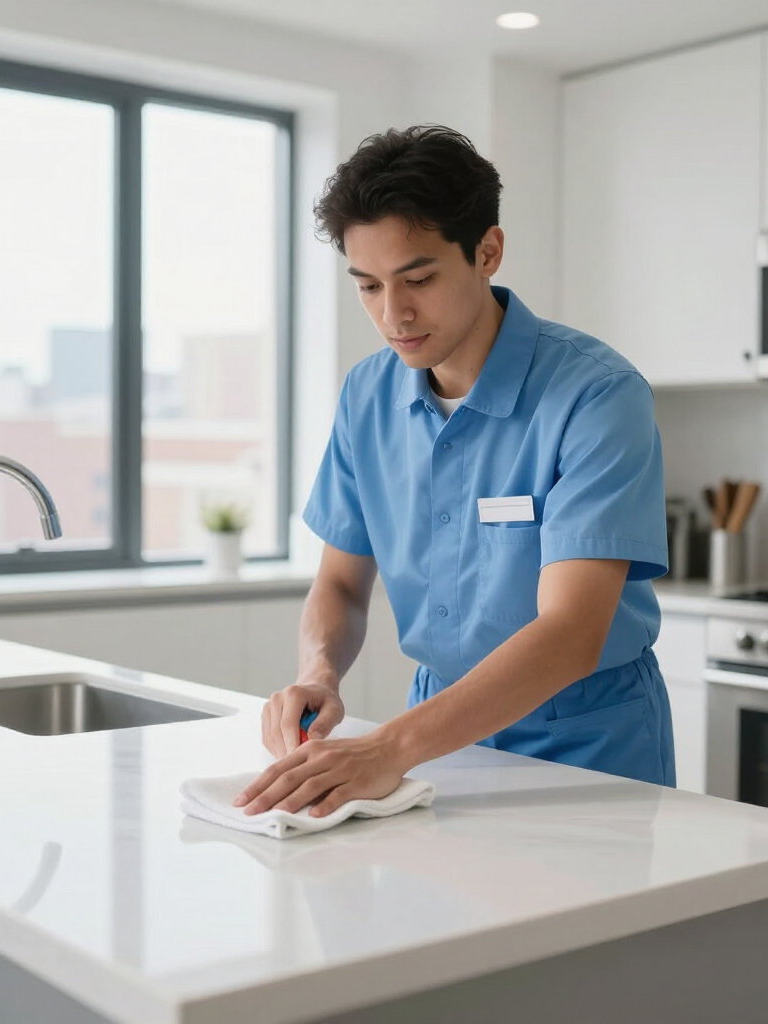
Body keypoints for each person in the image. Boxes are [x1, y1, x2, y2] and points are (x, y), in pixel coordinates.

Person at [234, 125, 675, 819]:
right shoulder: (366, 396)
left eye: (418, 279)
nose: (393, 314)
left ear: (487, 252)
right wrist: (319, 673)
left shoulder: (595, 395)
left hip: (587, 740)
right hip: (434, 736)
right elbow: (342, 585)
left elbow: (570, 634)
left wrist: (386, 749)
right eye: (368, 286)